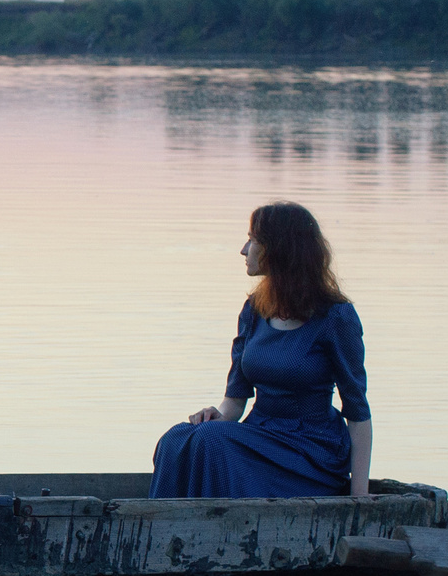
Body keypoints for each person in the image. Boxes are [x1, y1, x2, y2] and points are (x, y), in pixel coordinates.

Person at [150, 201, 372, 499]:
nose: (244, 250)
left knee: (212, 440)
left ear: (278, 249)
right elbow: (234, 403)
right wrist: (214, 416)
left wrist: (359, 495)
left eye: (253, 240)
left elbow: (358, 412)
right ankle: (168, 523)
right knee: (177, 438)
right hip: (259, 437)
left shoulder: (336, 317)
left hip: (310, 450)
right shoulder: (254, 310)